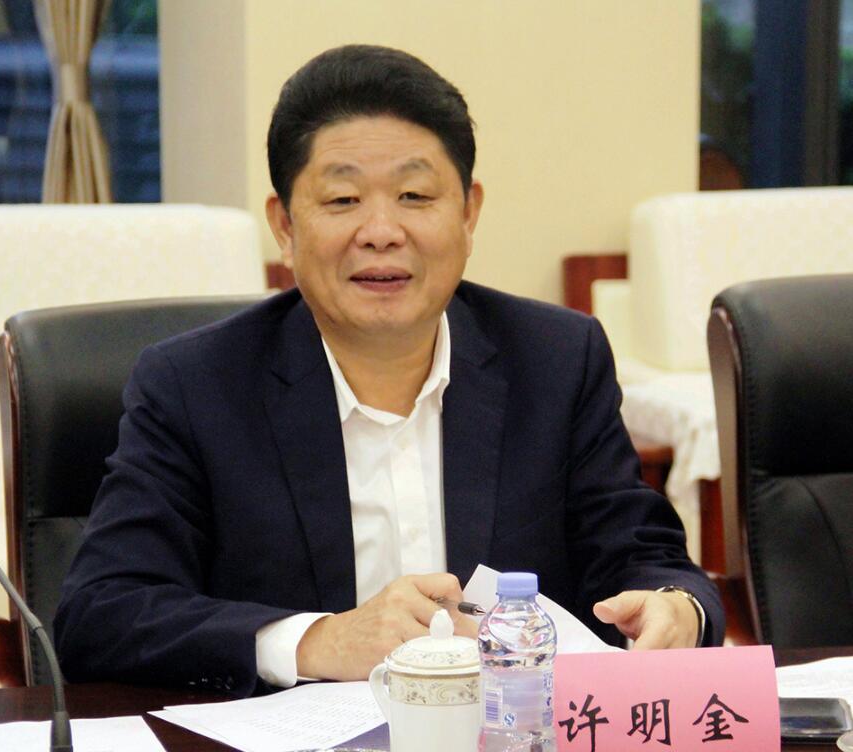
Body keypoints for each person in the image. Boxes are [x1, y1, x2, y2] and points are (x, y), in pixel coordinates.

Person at [54, 44, 724, 698]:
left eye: (414, 195)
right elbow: (101, 612)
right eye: (342, 200)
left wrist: (675, 609)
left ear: (468, 213)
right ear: (284, 226)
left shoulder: (555, 360)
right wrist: (317, 641)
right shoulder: (194, 385)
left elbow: (645, 557)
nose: (381, 231)